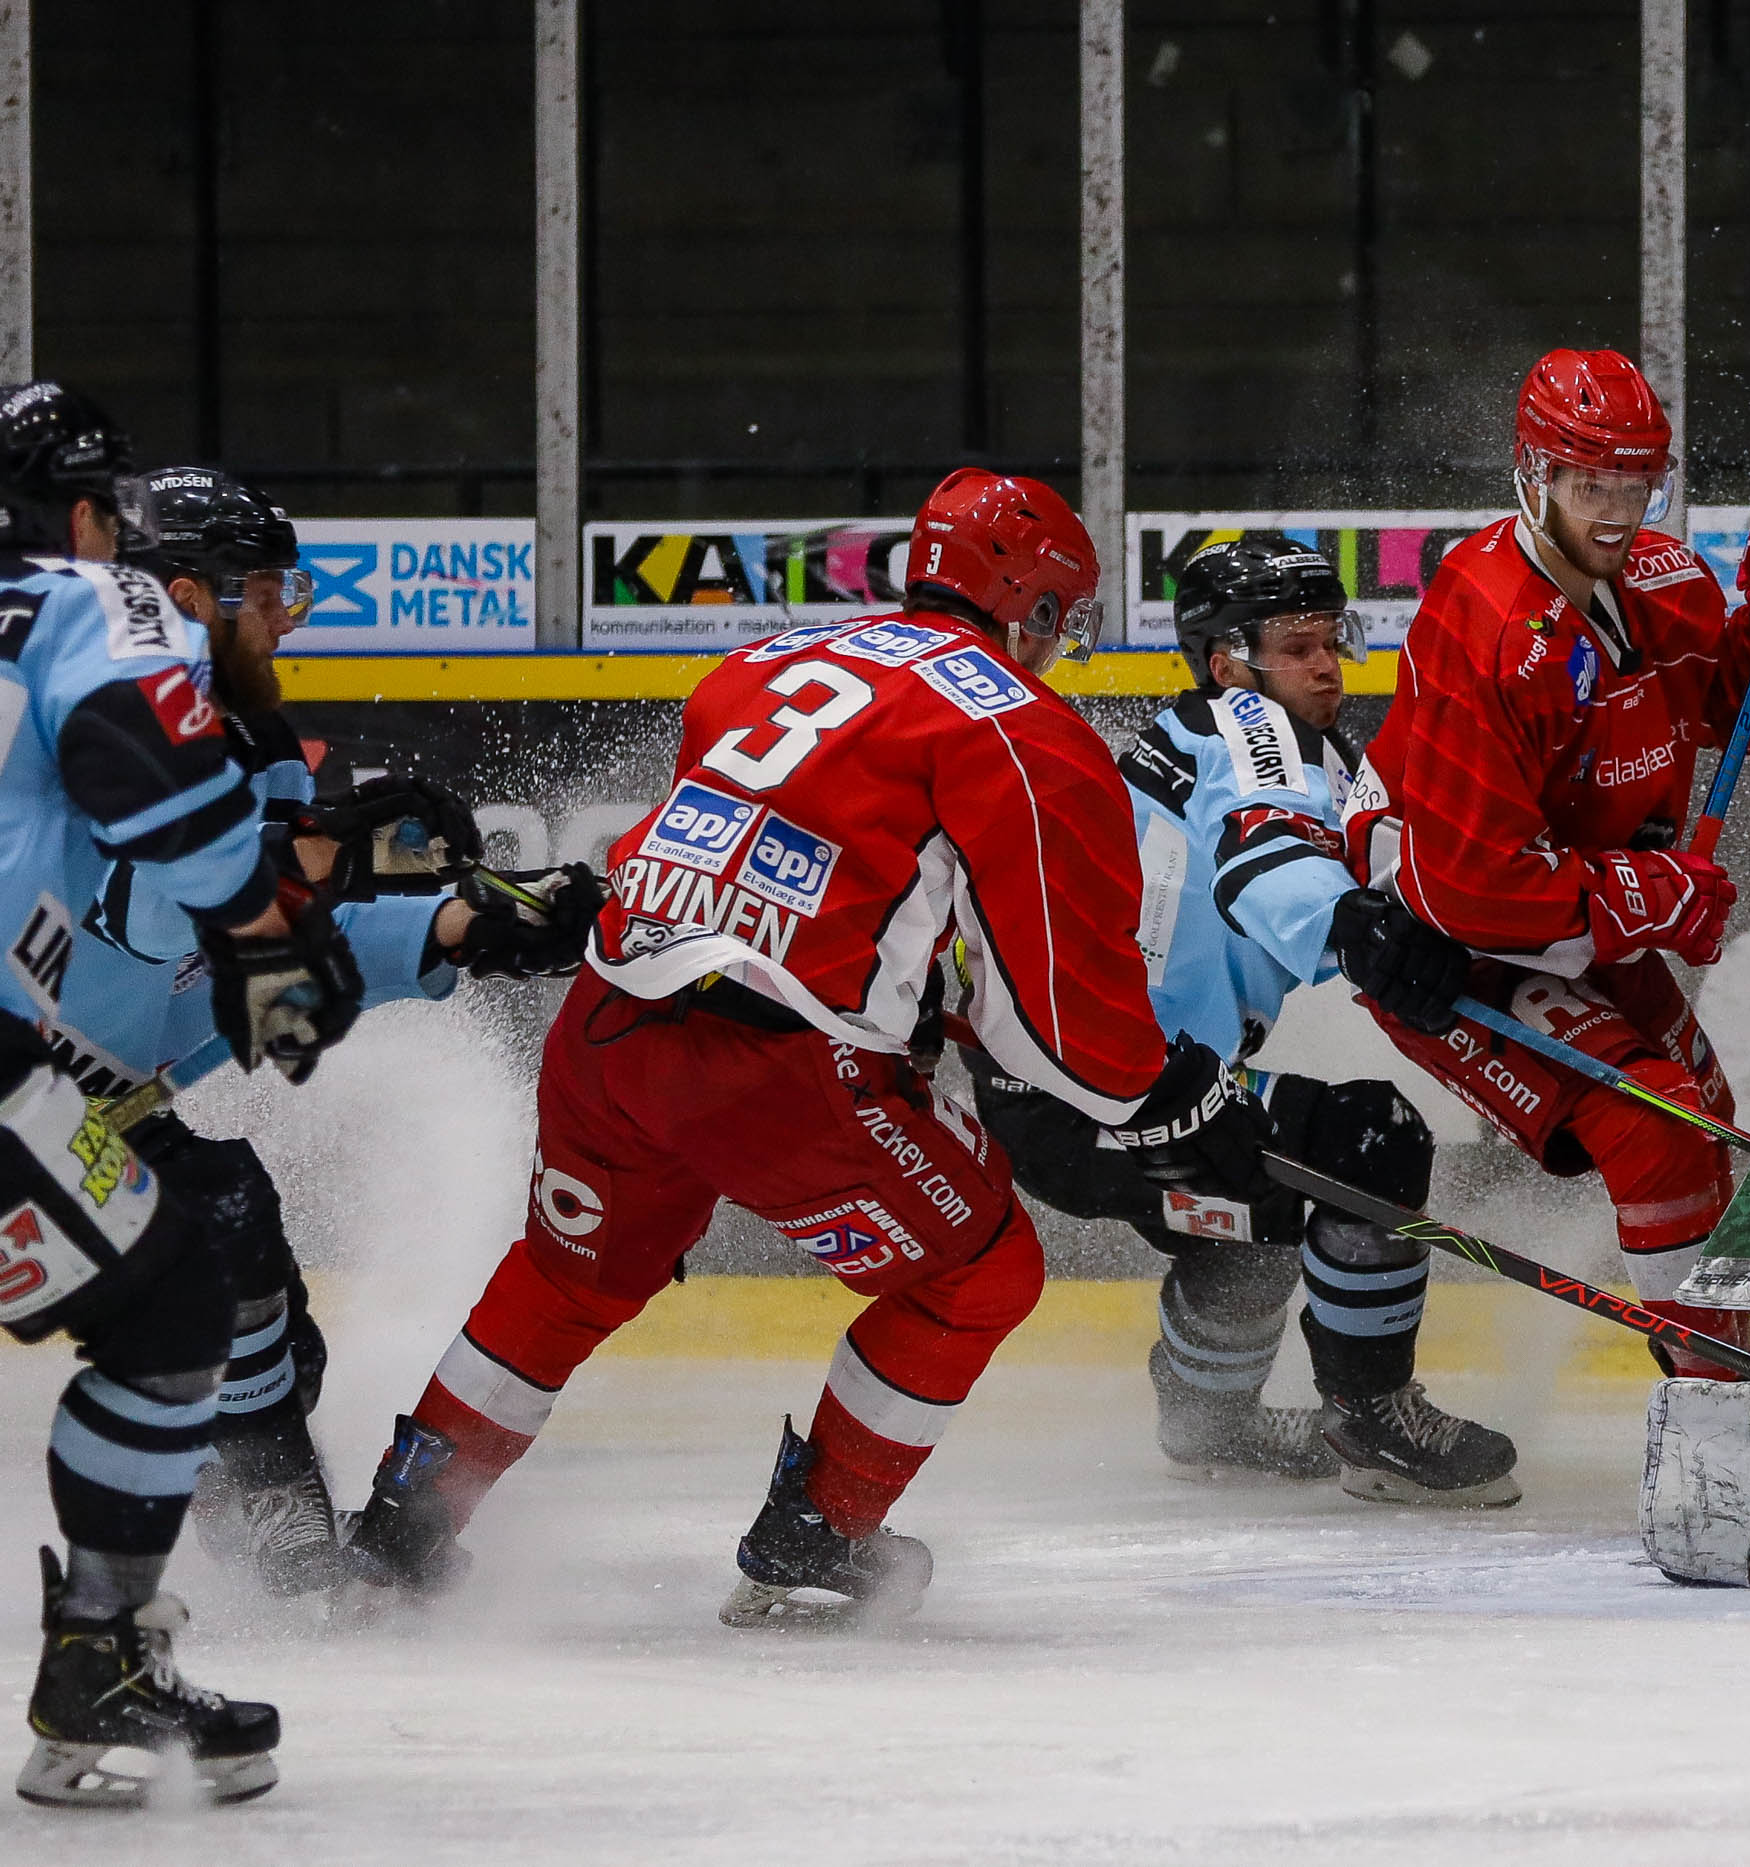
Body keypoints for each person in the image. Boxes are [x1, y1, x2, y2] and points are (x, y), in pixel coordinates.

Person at [339, 470, 1272, 1626]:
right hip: (781, 1066)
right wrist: (1173, 1098)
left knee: (566, 1272)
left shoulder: (765, 664)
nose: (1057, 646)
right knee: (981, 1271)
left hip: (612, 1022)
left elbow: (710, 841)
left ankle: (397, 1534)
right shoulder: (1024, 731)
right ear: (1029, 603)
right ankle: (816, 1530)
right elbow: (1061, 1029)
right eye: (1058, 619)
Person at [39, 467, 598, 1600]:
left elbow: (209, 969)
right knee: (217, 1234)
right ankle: (267, 1551)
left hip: (61, 1092)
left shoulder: (215, 736)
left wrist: (453, 928)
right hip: (24, 1096)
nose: (292, 613)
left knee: (275, 1351)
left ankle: (248, 1516)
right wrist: (315, 847)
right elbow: (158, 917)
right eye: (270, 590)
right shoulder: (91, 723)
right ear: (190, 599)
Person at [1342, 347, 1750, 1374]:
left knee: (1711, 1113)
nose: (1618, 511)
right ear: (1533, 473)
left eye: (1637, 483)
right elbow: (1473, 884)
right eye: (1591, 485)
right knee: (1659, 1131)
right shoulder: (1481, 618)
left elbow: (1736, 712)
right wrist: (1656, 892)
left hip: (1569, 912)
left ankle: (1738, 1343)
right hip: (1442, 936)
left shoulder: (1663, 579)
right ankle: (1715, 1400)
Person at [970, 534, 1517, 1504]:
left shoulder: (1210, 736)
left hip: (1068, 1088)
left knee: (1259, 1194)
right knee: (1365, 1135)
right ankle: (1371, 1412)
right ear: (1228, 662)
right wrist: (1356, 924)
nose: (1326, 666)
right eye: (1297, 646)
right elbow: (1276, 866)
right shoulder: (1248, 729)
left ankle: (1207, 1418)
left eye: (1330, 642)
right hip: (1099, 1091)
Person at [0, 384, 364, 1808]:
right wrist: (265, 927)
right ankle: (100, 1659)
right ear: (92, 518)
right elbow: (158, 796)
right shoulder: (92, 601)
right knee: (168, 1299)